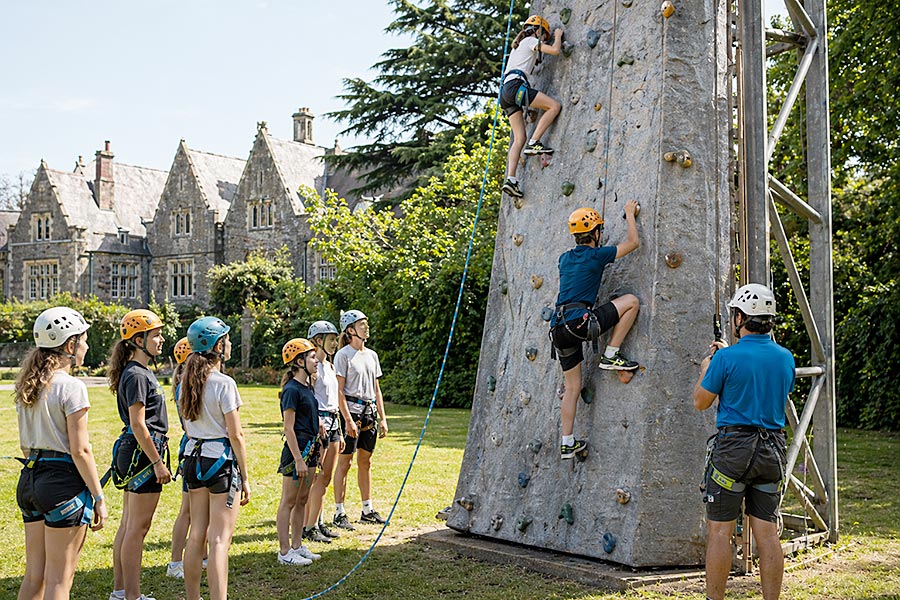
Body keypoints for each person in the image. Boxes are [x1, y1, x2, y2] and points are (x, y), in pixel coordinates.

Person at [692, 283, 794, 600]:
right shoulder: (785, 358)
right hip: (771, 451)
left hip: (733, 451)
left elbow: (701, 401)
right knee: (767, 533)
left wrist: (708, 367)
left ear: (740, 317)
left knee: (721, 532)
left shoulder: (725, 359)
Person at [15, 307, 108, 600]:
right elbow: (80, 450)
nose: (86, 346)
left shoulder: (28, 384)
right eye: (83, 340)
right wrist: (99, 497)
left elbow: (25, 446)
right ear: (70, 345)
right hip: (62, 485)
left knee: (34, 577)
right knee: (59, 581)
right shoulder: (71, 387)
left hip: (29, 480)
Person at [549, 203, 641, 460]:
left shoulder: (564, 258)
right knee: (632, 301)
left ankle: (567, 442)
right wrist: (630, 215)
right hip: (580, 322)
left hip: (558, 327)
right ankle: (611, 353)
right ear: (596, 232)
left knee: (572, 386)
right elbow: (633, 243)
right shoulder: (597, 256)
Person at [180, 317, 250, 600]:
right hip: (219, 462)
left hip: (193, 459)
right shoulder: (224, 383)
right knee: (220, 540)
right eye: (227, 339)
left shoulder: (186, 380)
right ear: (218, 345)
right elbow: (236, 435)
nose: (230, 343)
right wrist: (245, 477)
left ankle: (192, 597)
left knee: (197, 533)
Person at [108, 309, 171, 600]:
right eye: (155, 334)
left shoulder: (140, 372)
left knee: (129, 525)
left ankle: (120, 592)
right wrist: (157, 463)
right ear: (137, 340)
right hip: (143, 454)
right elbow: (138, 423)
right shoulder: (136, 375)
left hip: (138, 452)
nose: (161, 339)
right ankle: (132, 595)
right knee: (137, 528)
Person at [332, 310, 388, 529]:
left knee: (366, 462)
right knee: (344, 462)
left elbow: (376, 388)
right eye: (361, 324)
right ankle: (339, 512)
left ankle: (367, 509)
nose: (366, 327)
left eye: (366, 323)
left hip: (369, 413)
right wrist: (347, 419)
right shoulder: (343, 356)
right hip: (352, 413)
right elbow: (339, 391)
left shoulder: (372, 355)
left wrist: (383, 418)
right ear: (350, 330)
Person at [500, 14, 564, 199]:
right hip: (515, 87)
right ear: (538, 31)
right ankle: (535, 142)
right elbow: (555, 51)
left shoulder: (519, 45)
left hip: (506, 93)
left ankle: (510, 180)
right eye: (544, 36)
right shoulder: (529, 40)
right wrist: (558, 35)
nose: (545, 39)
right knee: (554, 106)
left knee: (519, 138)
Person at [276, 338, 325, 565]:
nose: (316, 360)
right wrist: (298, 459)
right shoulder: (291, 390)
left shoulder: (308, 387)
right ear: (299, 361)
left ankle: (297, 545)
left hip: (312, 450)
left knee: (302, 500)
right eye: (312, 357)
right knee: (289, 501)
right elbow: (288, 427)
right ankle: (285, 552)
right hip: (297, 452)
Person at [303, 321, 344, 544]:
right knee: (317, 478)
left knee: (326, 477)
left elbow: (334, 398)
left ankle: (318, 521)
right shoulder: (314, 366)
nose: (335, 344)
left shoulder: (330, 366)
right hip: (320, 423)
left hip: (334, 422)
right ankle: (309, 526)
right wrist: (317, 422)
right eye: (331, 339)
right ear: (319, 340)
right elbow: (309, 397)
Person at [166, 337, 197, 580]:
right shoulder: (184, 386)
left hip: (193, 449)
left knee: (194, 511)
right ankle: (176, 562)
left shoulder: (186, 382)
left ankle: (200, 555)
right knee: (187, 510)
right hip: (193, 449)